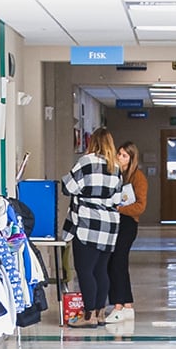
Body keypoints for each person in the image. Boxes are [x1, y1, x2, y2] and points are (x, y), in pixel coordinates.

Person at [62, 128, 126, 328]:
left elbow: (69, 188)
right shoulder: (116, 167)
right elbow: (117, 199)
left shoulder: (86, 161)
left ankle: (88, 316)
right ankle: (99, 313)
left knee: (85, 270)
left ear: (93, 142)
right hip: (109, 224)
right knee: (101, 270)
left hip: (87, 222)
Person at [112, 138, 149, 322]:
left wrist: (118, 208)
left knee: (118, 261)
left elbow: (140, 206)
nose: (120, 157)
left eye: (124, 155)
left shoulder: (138, 178)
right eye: (118, 154)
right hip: (114, 222)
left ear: (132, 158)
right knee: (114, 262)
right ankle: (125, 304)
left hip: (127, 223)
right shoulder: (114, 174)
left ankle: (121, 304)